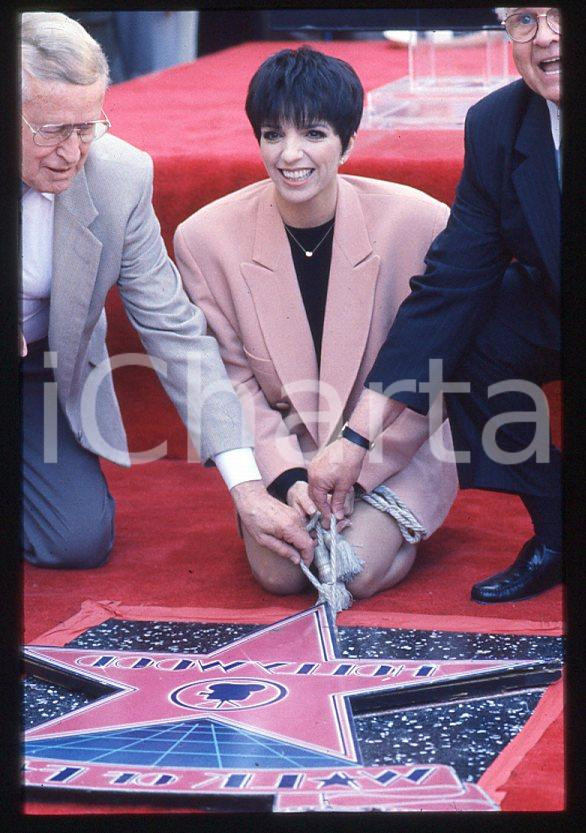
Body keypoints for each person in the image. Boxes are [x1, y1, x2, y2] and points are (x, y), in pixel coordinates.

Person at [20, 12, 314, 570]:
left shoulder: (119, 176)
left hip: (38, 371)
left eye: (88, 127)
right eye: (52, 131)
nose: (73, 152)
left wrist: (247, 487)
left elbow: (175, 331)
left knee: (77, 541)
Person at [174, 46, 457, 598]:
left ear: (348, 143)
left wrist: (357, 472)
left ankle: (396, 527)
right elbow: (232, 381)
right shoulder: (205, 238)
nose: (290, 154)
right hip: (287, 450)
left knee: (351, 571)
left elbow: (434, 372)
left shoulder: (419, 222)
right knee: (280, 575)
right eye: (272, 134)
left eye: (314, 134)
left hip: (388, 451)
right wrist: (287, 479)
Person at [308, 7, 562, 604]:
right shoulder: (497, 123)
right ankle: (560, 526)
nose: (548, 36)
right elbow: (452, 285)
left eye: (563, 13)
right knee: (471, 330)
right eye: (525, 19)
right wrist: (354, 441)